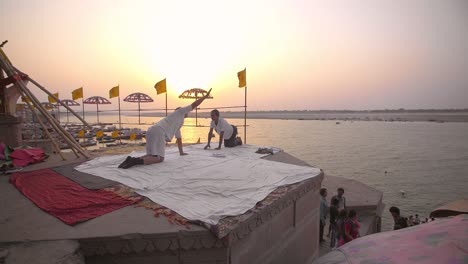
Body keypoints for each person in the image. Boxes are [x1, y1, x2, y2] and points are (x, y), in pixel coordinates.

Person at [119, 88, 212, 169]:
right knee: (160, 158)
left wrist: (181, 152)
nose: (188, 111)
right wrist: (205, 96)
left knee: (151, 155)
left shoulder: (176, 122)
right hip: (159, 132)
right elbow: (194, 105)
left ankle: (132, 160)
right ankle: (135, 162)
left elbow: (179, 138)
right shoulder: (180, 112)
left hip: (152, 130)